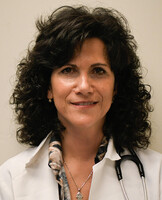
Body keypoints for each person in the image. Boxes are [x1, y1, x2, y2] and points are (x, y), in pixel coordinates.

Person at [0, 5, 161, 200]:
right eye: (68, 70)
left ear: (116, 86)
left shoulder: (156, 174)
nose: (84, 87)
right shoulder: (11, 179)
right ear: (48, 87)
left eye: (98, 71)